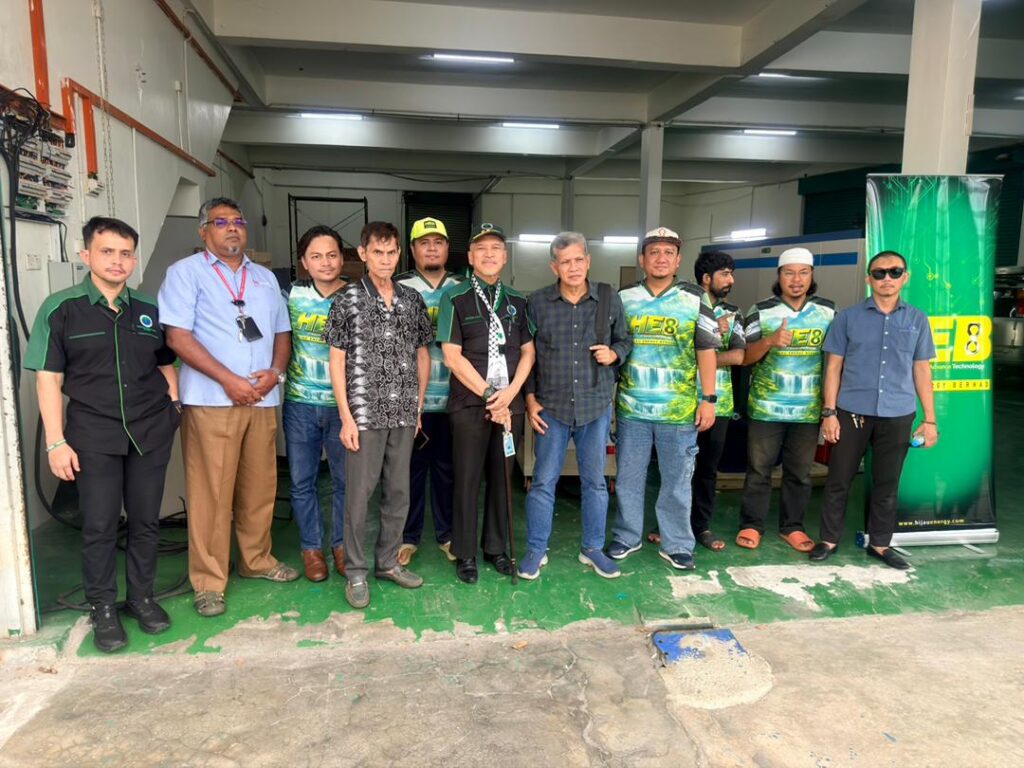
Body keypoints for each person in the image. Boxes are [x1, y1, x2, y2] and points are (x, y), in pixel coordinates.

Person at [26, 216, 179, 651]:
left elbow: (165, 362)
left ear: (134, 259)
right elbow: (48, 378)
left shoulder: (148, 309)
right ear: (86, 255)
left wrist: (174, 405)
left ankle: (142, 598)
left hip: (149, 429)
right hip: (93, 434)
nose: (117, 261)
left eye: (126, 253)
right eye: (107, 251)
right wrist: (56, 442)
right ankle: (103, 608)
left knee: (146, 521)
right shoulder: (61, 309)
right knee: (100, 525)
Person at [159, 197, 299, 619]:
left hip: (262, 398)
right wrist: (229, 380)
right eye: (220, 222)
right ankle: (208, 581)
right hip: (212, 401)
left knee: (260, 487)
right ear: (203, 231)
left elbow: (282, 333)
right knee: (212, 494)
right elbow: (177, 338)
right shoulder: (185, 273)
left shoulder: (264, 279)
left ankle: (256, 560)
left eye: (238, 221)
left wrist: (275, 372)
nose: (232, 228)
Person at [323, 221, 433, 609]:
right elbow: (336, 361)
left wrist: (418, 407)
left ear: (399, 254)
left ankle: (387, 562)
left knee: (399, 492)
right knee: (359, 496)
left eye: (391, 253)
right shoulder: (347, 299)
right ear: (363, 253)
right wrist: (346, 417)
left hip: (403, 412)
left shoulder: (411, 299)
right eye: (377, 252)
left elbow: (423, 354)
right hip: (364, 415)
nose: (385, 260)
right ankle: (356, 571)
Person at [811, 250, 938, 569]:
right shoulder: (847, 318)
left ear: (905, 277)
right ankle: (828, 540)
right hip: (851, 412)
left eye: (894, 272)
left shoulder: (917, 319)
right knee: (839, 479)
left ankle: (880, 544)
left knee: (887, 483)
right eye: (879, 273)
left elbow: (922, 370)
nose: (887, 278)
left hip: (898, 413)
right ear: (869, 278)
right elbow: (833, 368)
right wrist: (829, 413)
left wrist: (930, 420)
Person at [606, 227, 719, 571]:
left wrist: (709, 398)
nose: (661, 258)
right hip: (632, 409)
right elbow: (613, 349)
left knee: (677, 482)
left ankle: (677, 544)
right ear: (642, 259)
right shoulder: (624, 298)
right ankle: (627, 536)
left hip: (679, 411)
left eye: (668, 252)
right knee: (628, 478)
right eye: (654, 252)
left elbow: (707, 350)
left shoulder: (696, 298)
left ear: (678, 260)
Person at [520, 232, 632, 580]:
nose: (573, 267)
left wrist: (615, 353)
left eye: (578, 260)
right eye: (565, 261)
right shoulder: (537, 303)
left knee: (595, 482)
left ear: (588, 261)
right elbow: (527, 355)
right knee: (543, 481)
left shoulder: (609, 299)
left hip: (594, 406)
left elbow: (626, 339)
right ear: (554, 266)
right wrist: (530, 399)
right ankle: (536, 549)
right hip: (551, 407)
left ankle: (593, 548)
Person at [436, 224, 535, 584]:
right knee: (466, 478)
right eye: (481, 249)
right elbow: (452, 356)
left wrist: (510, 395)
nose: (489, 254)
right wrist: (490, 396)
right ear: (470, 257)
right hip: (470, 403)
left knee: (502, 477)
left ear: (505, 256)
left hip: (510, 404)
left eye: (496, 248)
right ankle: (465, 553)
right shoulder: (455, 297)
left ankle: (495, 548)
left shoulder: (518, 301)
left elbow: (528, 352)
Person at [738, 247, 835, 552]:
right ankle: (752, 524)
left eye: (803, 272)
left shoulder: (828, 312)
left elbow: (835, 361)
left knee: (800, 473)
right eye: (789, 273)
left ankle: (792, 527)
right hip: (765, 407)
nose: (796, 279)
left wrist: (830, 407)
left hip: (807, 409)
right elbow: (745, 358)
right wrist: (770, 341)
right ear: (779, 276)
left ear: (812, 275)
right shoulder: (760, 310)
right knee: (759, 471)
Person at [395, 217, 462, 565]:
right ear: (412, 250)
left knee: (448, 471)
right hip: (411, 403)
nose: (432, 248)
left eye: (438, 242)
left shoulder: (462, 287)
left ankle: (447, 535)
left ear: (447, 248)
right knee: (409, 472)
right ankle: (408, 537)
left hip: (453, 400)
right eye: (424, 242)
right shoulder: (398, 287)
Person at [283, 225, 348, 582]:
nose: (325, 262)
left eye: (332, 255)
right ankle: (312, 549)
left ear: (342, 259)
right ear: (304, 262)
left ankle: (341, 546)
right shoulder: (290, 296)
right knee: (302, 481)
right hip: (300, 403)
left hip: (343, 408)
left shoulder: (357, 297)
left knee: (345, 482)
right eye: (316, 256)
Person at [690, 251, 746, 551]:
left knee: (707, 470)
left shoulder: (733, 314)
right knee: (677, 471)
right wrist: (711, 335)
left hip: (718, 404)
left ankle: (701, 526)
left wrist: (704, 354)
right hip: (681, 402)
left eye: (731, 273)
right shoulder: (685, 306)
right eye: (725, 274)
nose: (731, 280)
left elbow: (738, 356)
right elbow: (672, 351)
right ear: (706, 278)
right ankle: (669, 524)